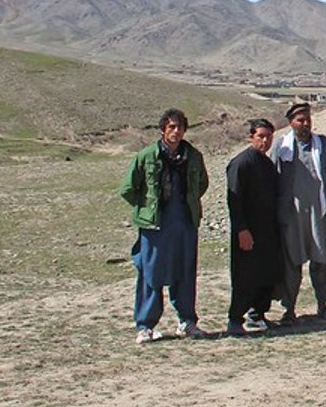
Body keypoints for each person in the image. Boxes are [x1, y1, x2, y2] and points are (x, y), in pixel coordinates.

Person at [119, 108, 209, 344]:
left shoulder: (194, 155)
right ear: (162, 130)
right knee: (151, 273)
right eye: (172, 127)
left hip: (185, 223)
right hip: (155, 227)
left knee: (185, 272)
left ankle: (187, 322)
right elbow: (128, 188)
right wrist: (146, 208)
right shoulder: (147, 156)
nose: (176, 132)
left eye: (180, 127)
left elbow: (202, 184)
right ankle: (146, 325)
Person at [273, 101, 326, 324]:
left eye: (307, 119)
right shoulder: (282, 147)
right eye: (300, 120)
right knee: (292, 262)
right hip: (293, 215)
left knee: (323, 259)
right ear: (291, 123)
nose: (305, 124)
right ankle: (289, 309)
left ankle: (323, 304)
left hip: (320, 212)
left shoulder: (323, 144)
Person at [225, 118, 282, 336]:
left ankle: (257, 315)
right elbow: (235, 200)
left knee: (266, 272)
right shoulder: (241, 163)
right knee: (244, 276)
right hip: (247, 230)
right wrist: (241, 230)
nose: (265, 141)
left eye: (269, 137)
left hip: (267, 229)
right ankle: (235, 319)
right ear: (251, 137)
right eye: (261, 136)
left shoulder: (266, 163)